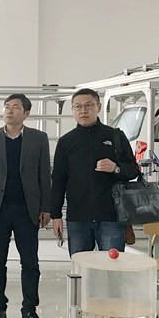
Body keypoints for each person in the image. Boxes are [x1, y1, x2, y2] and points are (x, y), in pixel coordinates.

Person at [0, 93, 51, 318]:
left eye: (15, 107)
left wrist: (46, 207)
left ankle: (29, 309)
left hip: (28, 208)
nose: (9, 111)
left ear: (26, 113)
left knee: (30, 262)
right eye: (6, 106)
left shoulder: (38, 138)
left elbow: (44, 174)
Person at [50, 88, 141, 256]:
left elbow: (133, 170)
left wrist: (116, 168)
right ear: (72, 110)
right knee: (80, 266)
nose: (83, 110)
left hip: (112, 217)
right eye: (78, 106)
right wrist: (56, 216)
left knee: (111, 266)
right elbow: (58, 181)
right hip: (77, 218)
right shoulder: (66, 142)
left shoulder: (115, 136)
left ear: (98, 107)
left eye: (88, 105)